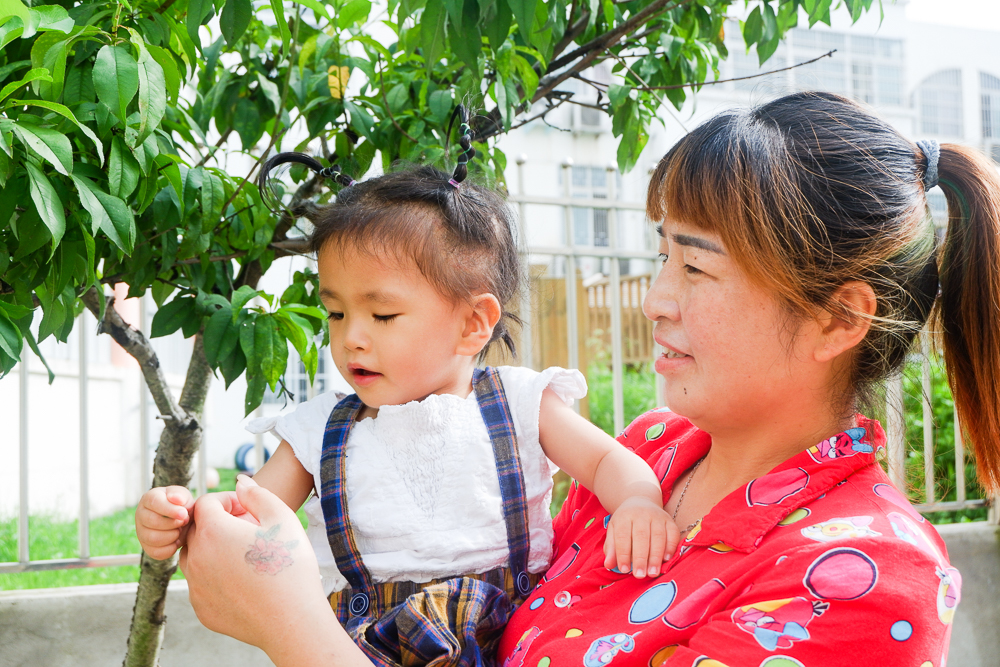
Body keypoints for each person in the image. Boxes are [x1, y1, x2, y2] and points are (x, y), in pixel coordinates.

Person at [178, 91, 1000, 666]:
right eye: (661, 255)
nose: (655, 300)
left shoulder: (866, 575)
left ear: (837, 318)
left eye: (698, 268)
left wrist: (290, 629)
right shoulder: (651, 454)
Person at [138, 108, 681, 666]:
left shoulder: (518, 402)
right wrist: (185, 518)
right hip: (364, 648)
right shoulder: (320, 430)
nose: (352, 339)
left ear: (473, 324)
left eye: (383, 316)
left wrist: (639, 502)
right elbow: (249, 518)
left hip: (505, 635)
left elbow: (606, 462)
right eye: (336, 313)